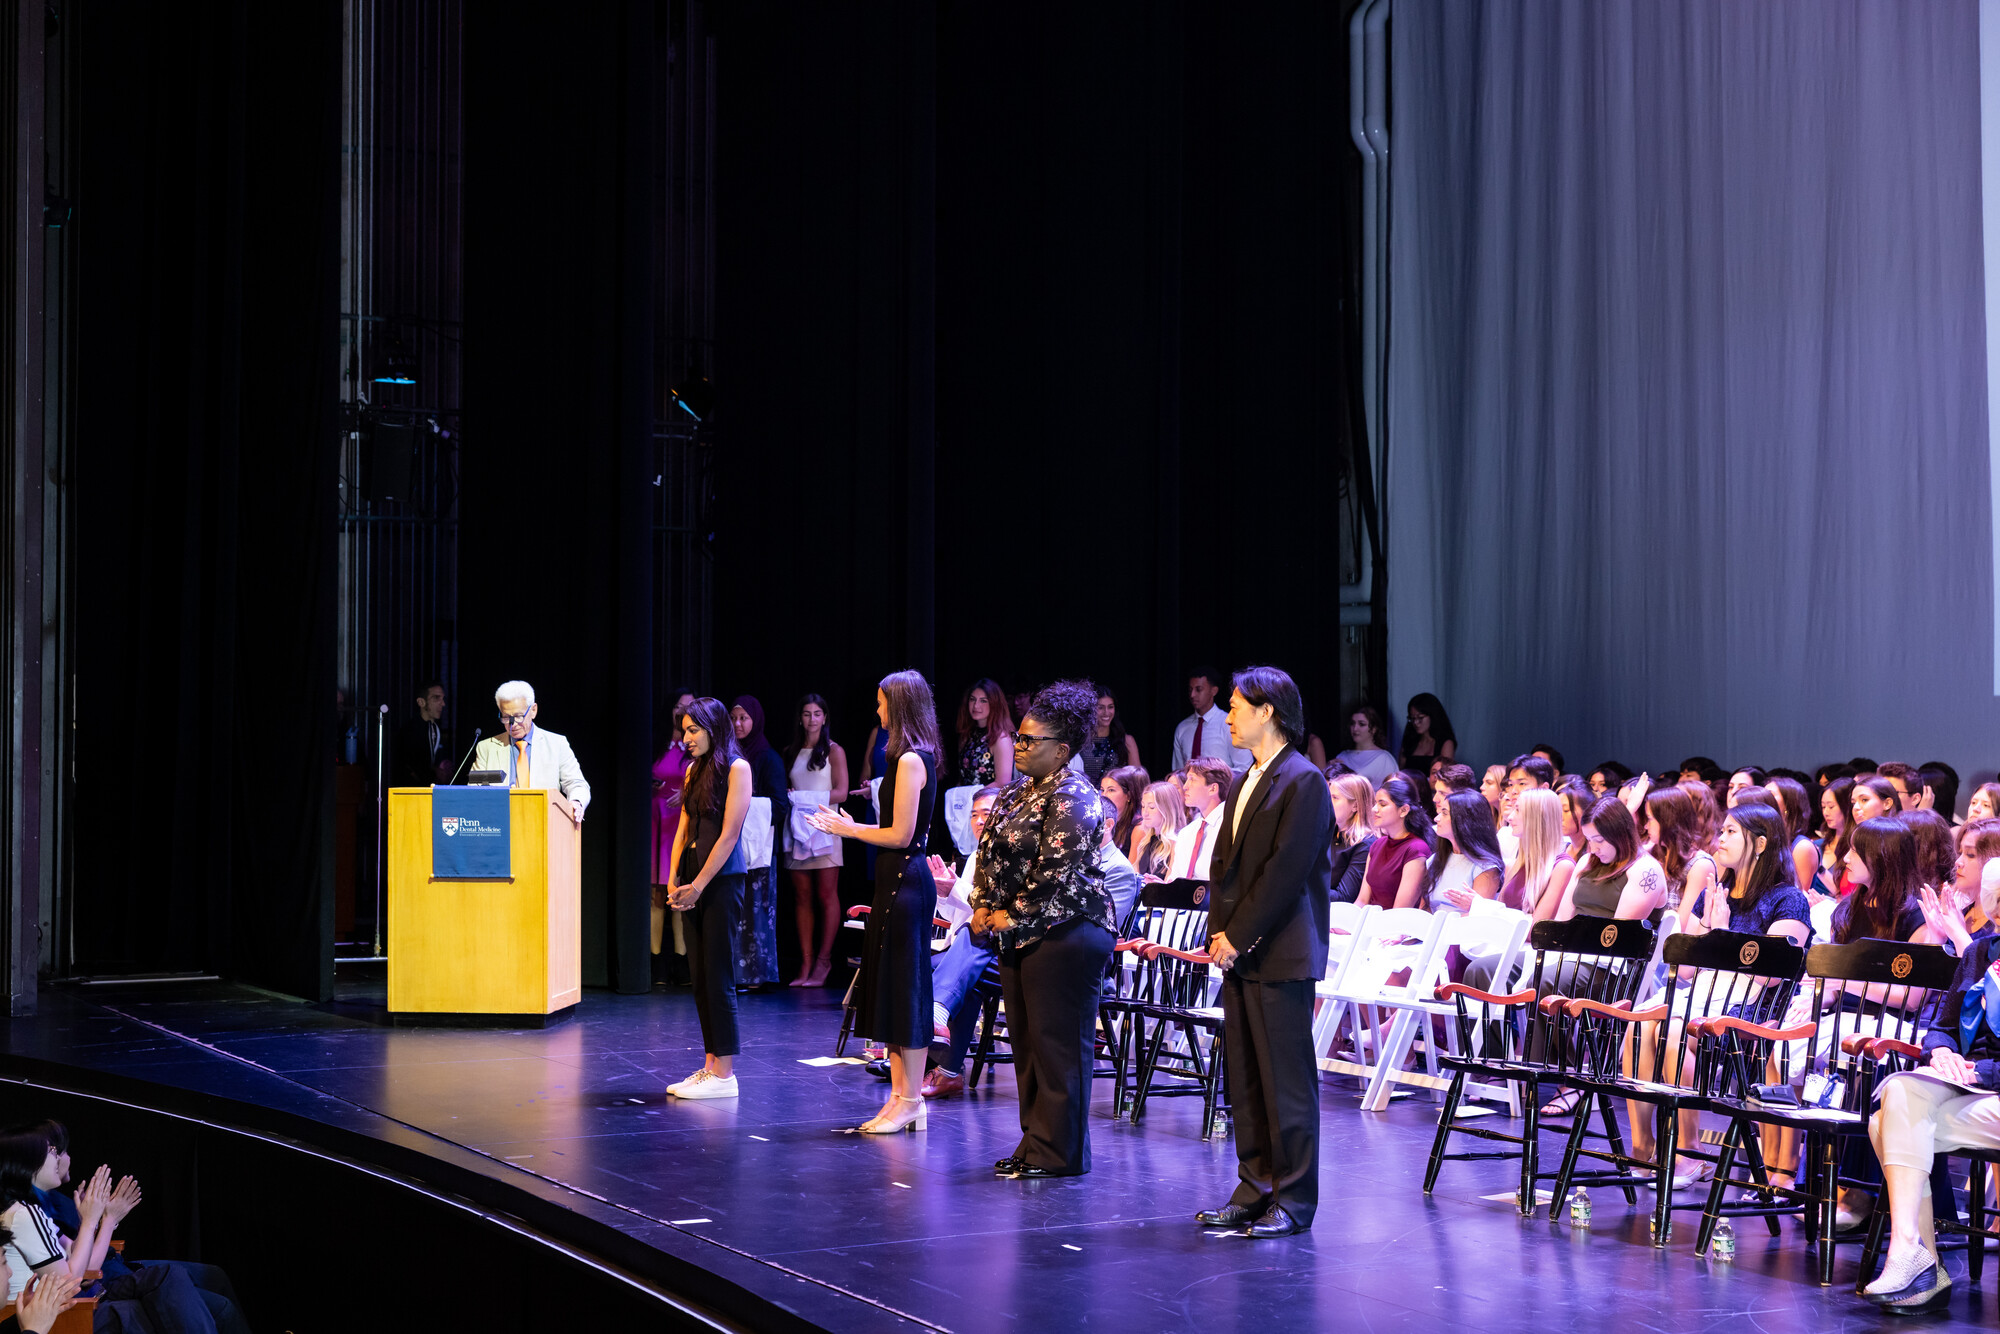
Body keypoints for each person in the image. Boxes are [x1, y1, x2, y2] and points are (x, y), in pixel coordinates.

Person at [1193, 666, 1333, 1237]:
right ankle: (1255, 1188)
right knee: (1247, 1078)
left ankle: (1294, 1201)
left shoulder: (1304, 780)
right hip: (1243, 948)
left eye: (1236, 705)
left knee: (1287, 1083)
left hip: (1282, 949)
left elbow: (1285, 872)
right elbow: (1226, 868)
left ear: (1267, 711)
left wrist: (1238, 932)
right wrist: (1219, 931)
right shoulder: (1245, 778)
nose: (1228, 715)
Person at [972, 680, 1119, 1178]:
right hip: (1021, 932)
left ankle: (1060, 1152)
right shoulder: (1017, 791)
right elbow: (988, 853)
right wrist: (982, 903)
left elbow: (1054, 868)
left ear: (1061, 750)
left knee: (1058, 1047)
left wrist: (1009, 914)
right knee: (1028, 1045)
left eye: (1029, 740)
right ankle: (1035, 1142)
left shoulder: (1075, 794)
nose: (1018, 745)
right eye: (1018, 737)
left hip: (1068, 932)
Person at [807, 670, 941, 1135]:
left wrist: (850, 829)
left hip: (907, 882)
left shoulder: (912, 760)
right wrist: (856, 820)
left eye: (882, 702)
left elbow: (901, 835)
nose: (877, 709)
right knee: (892, 993)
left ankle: (911, 1101)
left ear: (899, 705)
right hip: (893, 882)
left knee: (908, 994)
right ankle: (899, 1098)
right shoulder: (903, 758)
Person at [664, 698, 753, 1099]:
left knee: (718, 975)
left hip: (720, 882)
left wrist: (698, 885)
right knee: (699, 976)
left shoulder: (738, 768)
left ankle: (725, 1074)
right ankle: (710, 1066)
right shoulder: (693, 770)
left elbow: (729, 834)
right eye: (684, 730)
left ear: (713, 728)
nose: (686, 738)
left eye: (693, 730)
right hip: (692, 880)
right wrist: (672, 878)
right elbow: (683, 829)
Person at [921, 784, 1003, 1098]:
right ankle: (936, 1067)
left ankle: (928, 1061)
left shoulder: (1012, 856)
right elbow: (960, 913)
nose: (979, 821)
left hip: (1003, 948)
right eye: (974, 815)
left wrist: (955, 889)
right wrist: (945, 892)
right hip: (976, 950)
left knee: (973, 941)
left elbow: (993, 911)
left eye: (987, 814)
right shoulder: (977, 856)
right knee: (925, 964)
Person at [783, 694, 849, 987]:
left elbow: (842, 792)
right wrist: (793, 797)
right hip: (797, 828)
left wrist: (804, 798)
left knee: (826, 894)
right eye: (807, 713)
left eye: (817, 713)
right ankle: (806, 961)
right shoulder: (790, 751)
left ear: (825, 718)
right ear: (800, 718)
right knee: (802, 896)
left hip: (825, 826)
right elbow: (788, 789)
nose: (812, 719)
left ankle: (824, 961)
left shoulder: (834, 751)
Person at [729, 696, 790, 989]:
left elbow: (780, 805)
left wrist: (743, 805)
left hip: (760, 849)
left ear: (756, 720)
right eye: (734, 718)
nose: (738, 724)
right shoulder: (728, 756)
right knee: (734, 908)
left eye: (744, 718)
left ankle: (755, 975)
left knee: (756, 912)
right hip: (731, 844)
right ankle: (733, 973)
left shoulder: (768, 758)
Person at [473, 680, 590, 823]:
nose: (513, 724)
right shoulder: (486, 748)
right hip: (499, 824)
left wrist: (576, 802)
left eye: (518, 716)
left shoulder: (557, 744)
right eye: (506, 717)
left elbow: (576, 784)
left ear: (533, 710)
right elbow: (474, 791)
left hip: (544, 823)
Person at [651, 686, 696, 985]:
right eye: (679, 706)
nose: (682, 712)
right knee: (656, 894)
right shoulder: (656, 742)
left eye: (689, 707)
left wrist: (687, 794)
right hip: (656, 821)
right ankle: (655, 962)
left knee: (679, 890)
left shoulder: (695, 743)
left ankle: (682, 962)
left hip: (681, 822)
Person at [1356, 775, 1434, 909]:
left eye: (1382, 804)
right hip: (1371, 918)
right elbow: (1362, 900)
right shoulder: (1377, 845)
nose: (1374, 809)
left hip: (1394, 921)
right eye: (1375, 803)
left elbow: (1399, 911)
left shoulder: (1416, 849)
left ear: (1403, 810)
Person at [1429, 790, 1505, 913]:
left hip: (1461, 924)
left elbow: (1478, 916)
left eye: (1445, 813)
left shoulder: (1486, 868)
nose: (1436, 818)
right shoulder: (1434, 860)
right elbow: (1424, 907)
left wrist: (1440, 923)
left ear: (1465, 820)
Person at [1172, 666, 1252, 771]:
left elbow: (1244, 768)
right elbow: (1178, 772)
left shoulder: (1229, 725)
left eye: (1198, 689)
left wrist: (1216, 777)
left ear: (1213, 691)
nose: (1192, 695)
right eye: (1190, 690)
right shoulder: (1182, 728)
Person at [1167, 757, 1230, 881]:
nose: (1185, 786)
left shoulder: (1230, 826)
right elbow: (1176, 878)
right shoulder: (1186, 833)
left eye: (1192, 779)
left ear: (1213, 788)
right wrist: (1163, 888)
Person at [954, 678, 1016, 787]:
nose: (976, 706)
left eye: (983, 701)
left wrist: (971, 795)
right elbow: (963, 777)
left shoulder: (1001, 738)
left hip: (989, 798)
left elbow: (1002, 783)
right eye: (972, 699)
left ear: (994, 704)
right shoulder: (967, 735)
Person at [1327, 772, 1377, 904]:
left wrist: (1304, 887)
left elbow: (1344, 897)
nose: (1328, 802)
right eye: (1328, 796)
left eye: (1335, 798)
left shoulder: (1365, 844)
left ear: (1355, 806)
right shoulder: (1328, 832)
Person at [392, 679, 452, 786]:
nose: (443, 704)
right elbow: (410, 765)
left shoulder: (437, 729)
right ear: (421, 702)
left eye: (443, 699)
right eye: (436, 698)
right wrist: (435, 772)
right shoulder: (409, 731)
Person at [1128, 781, 1188, 880]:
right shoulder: (1144, 839)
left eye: (1152, 807)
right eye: (1143, 806)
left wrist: (1159, 885)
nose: (1145, 813)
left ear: (1167, 809)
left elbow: (1171, 885)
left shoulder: (1176, 843)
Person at [1334, 703, 1399, 787]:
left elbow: (1394, 789)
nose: (1355, 728)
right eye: (1352, 723)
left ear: (1373, 729)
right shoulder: (1343, 756)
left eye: (1361, 724)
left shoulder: (1384, 759)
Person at [1082, 691, 1142, 782]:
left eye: (1110, 707)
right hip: (1084, 790)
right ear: (1091, 710)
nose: (1106, 712)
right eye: (1100, 707)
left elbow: (1138, 779)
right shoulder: (1081, 740)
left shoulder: (1126, 741)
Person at [1099, 765, 1148, 863]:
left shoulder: (1138, 827)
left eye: (1111, 790)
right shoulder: (1101, 820)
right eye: (1102, 790)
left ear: (1128, 796)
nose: (1104, 795)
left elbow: (1132, 869)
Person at [1398, 692, 1457, 768]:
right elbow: (1401, 770)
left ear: (1433, 716)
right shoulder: (1409, 741)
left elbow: (1445, 773)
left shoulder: (1445, 743)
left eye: (1420, 718)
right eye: (1412, 718)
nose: (1416, 723)